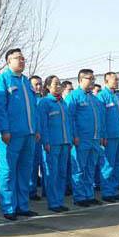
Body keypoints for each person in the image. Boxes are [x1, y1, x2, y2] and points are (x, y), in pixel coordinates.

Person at [0, 48, 40, 220]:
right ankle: (9, 207)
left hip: (28, 134)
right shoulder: (2, 80)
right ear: (8, 61)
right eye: (18, 58)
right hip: (11, 135)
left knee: (25, 171)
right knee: (8, 171)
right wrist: (4, 130)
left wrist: (36, 129)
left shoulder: (26, 82)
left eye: (23, 58)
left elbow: (34, 108)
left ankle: (22, 206)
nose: (22, 61)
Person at [65, 68, 105, 207]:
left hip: (94, 139)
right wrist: (74, 135)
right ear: (81, 80)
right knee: (79, 169)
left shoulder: (94, 99)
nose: (93, 81)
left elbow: (100, 119)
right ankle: (79, 197)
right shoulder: (74, 96)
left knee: (90, 168)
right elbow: (69, 118)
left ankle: (89, 195)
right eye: (90, 78)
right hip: (81, 139)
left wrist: (101, 135)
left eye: (94, 78)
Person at [37, 75, 71, 212]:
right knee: (52, 173)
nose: (58, 86)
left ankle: (59, 201)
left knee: (62, 173)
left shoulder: (63, 103)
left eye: (59, 84)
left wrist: (69, 139)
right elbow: (42, 124)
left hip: (65, 142)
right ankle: (53, 203)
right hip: (52, 144)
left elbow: (68, 123)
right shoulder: (44, 102)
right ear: (48, 86)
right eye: (55, 84)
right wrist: (46, 141)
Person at [96, 71, 119, 202]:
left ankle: (114, 190)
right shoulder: (102, 96)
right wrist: (103, 135)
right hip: (109, 137)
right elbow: (101, 118)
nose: (117, 81)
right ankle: (107, 192)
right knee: (108, 165)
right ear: (106, 81)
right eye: (115, 79)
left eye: (118, 79)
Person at [29, 75, 44, 201]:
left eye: (40, 84)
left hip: (42, 137)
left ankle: (35, 190)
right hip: (31, 135)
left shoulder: (43, 100)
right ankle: (30, 190)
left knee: (40, 164)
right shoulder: (29, 99)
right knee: (30, 165)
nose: (38, 86)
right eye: (36, 84)